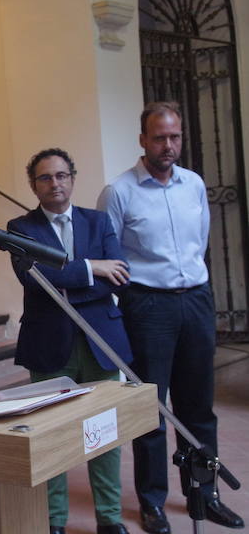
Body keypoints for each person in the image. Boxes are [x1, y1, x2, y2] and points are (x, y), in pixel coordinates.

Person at [97, 102, 244, 534]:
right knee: (152, 409)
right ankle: (153, 503)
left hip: (195, 300)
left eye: (175, 136)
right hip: (148, 306)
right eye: (159, 137)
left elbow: (199, 242)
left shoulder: (193, 184)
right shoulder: (119, 191)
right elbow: (111, 255)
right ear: (142, 140)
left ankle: (205, 494)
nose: (169, 145)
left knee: (199, 406)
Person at [8, 148, 132, 534]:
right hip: (49, 346)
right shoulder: (19, 228)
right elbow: (33, 278)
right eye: (45, 178)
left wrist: (68, 280)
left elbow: (119, 275)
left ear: (73, 179)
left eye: (61, 175)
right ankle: (55, 520)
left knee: (104, 433)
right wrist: (91, 269)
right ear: (33, 185)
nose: (54, 184)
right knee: (51, 436)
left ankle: (109, 519)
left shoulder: (98, 222)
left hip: (100, 342)